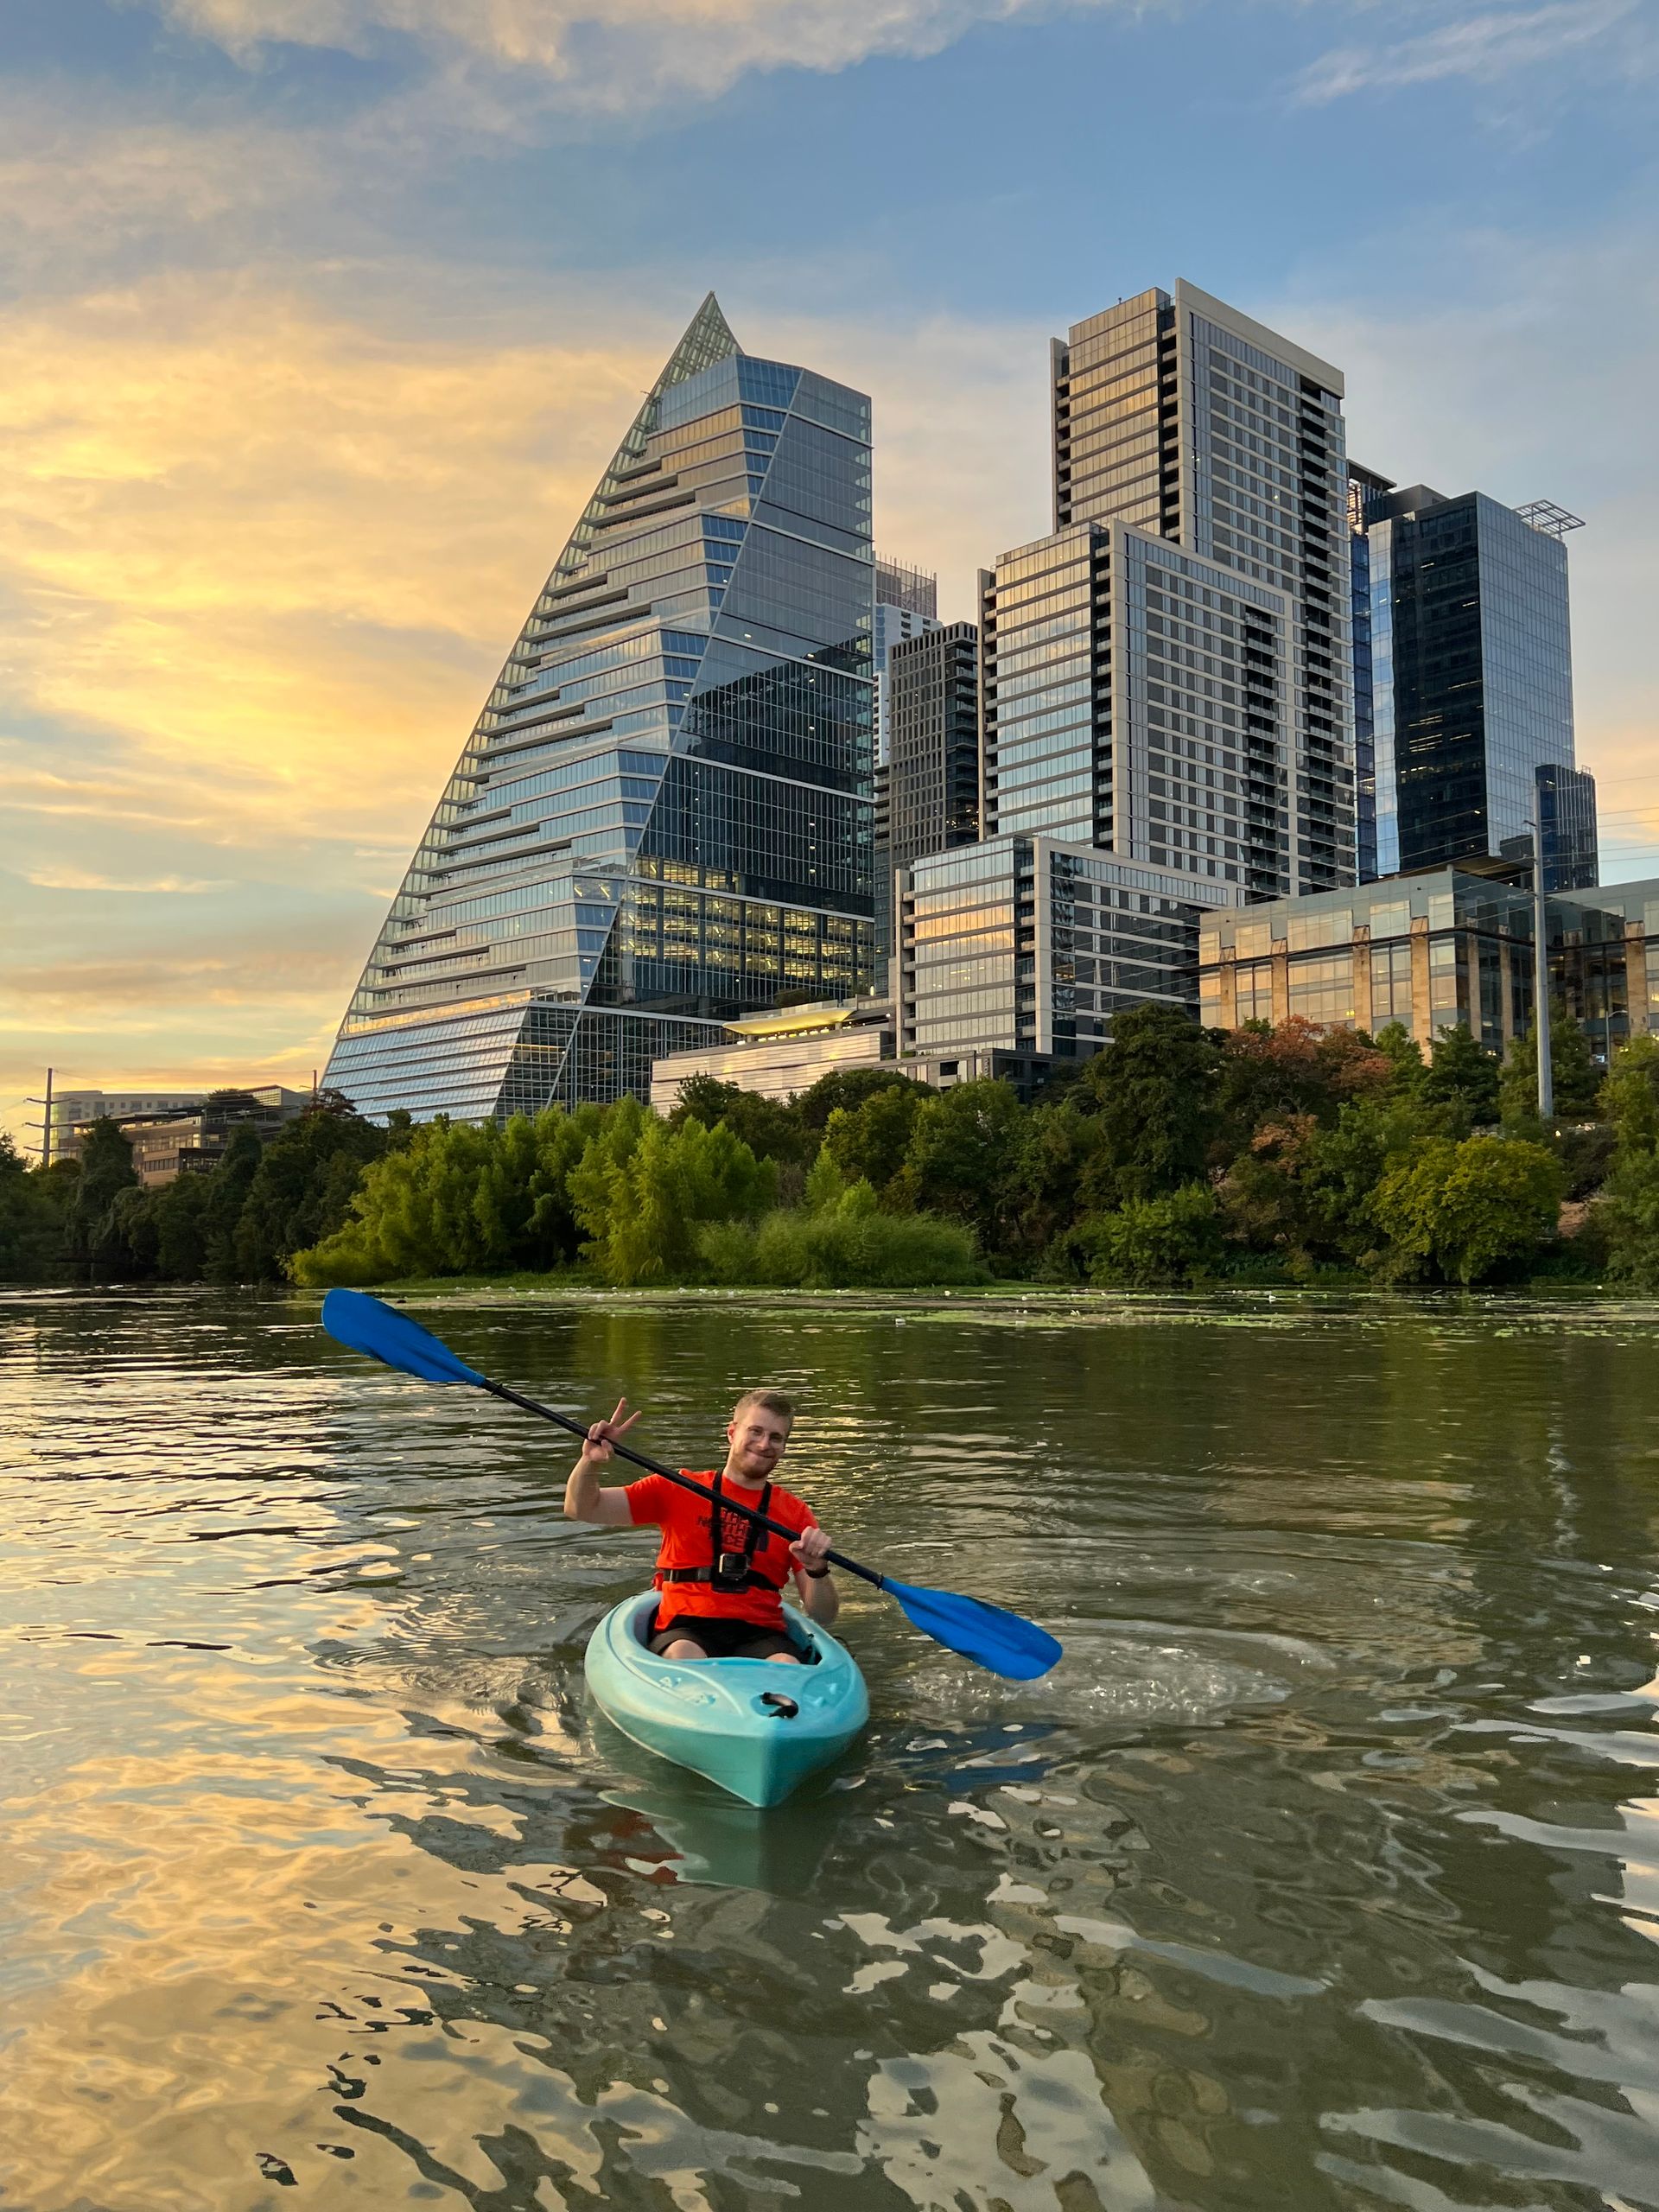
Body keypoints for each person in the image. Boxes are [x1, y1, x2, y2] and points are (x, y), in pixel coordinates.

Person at [563, 1387, 837, 1663]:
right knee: (686, 1654)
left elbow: (824, 1615)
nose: (765, 1444)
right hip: (686, 1627)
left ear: (783, 1447)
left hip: (760, 1633)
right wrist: (590, 1462)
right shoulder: (677, 1487)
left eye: (776, 1437)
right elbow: (582, 1508)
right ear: (732, 1433)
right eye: (755, 1431)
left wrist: (818, 1570)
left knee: (787, 1665)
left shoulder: (796, 1514)